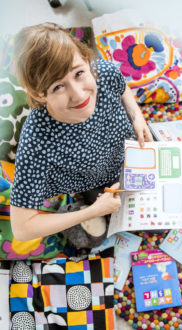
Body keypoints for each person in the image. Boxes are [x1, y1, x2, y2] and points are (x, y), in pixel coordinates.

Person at [10, 22, 153, 241]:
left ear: (87, 61)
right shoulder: (36, 141)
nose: (79, 95)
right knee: (96, 236)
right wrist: (93, 210)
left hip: (131, 153)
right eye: (58, 87)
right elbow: (22, 229)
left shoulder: (104, 72)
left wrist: (137, 117)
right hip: (94, 185)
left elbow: (123, 88)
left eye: (78, 73)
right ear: (39, 95)